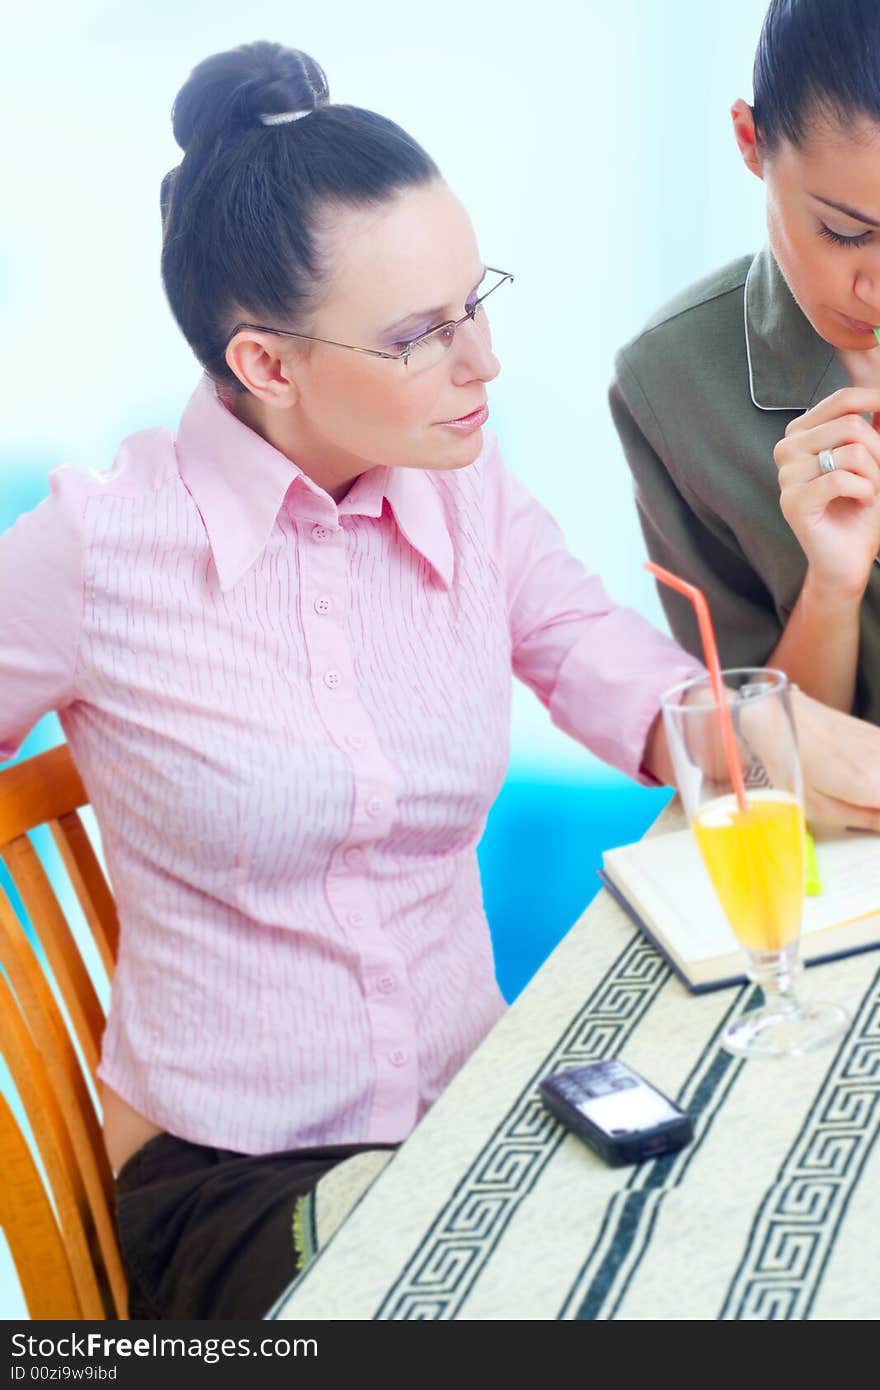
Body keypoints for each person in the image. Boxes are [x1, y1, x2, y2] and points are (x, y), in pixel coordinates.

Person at [4, 39, 880, 1323]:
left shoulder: (468, 498)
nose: (483, 363)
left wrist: (800, 734)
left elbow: (639, 686)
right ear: (266, 364)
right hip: (235, 1185)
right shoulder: (100, 546)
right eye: (420, 336)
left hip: (473, 1109)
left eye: (476, 301)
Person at [611, 0, 880, 722]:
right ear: (750, 140)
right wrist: (830, 587)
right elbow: (756, 761)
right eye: (846, 232)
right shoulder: (671, 383)